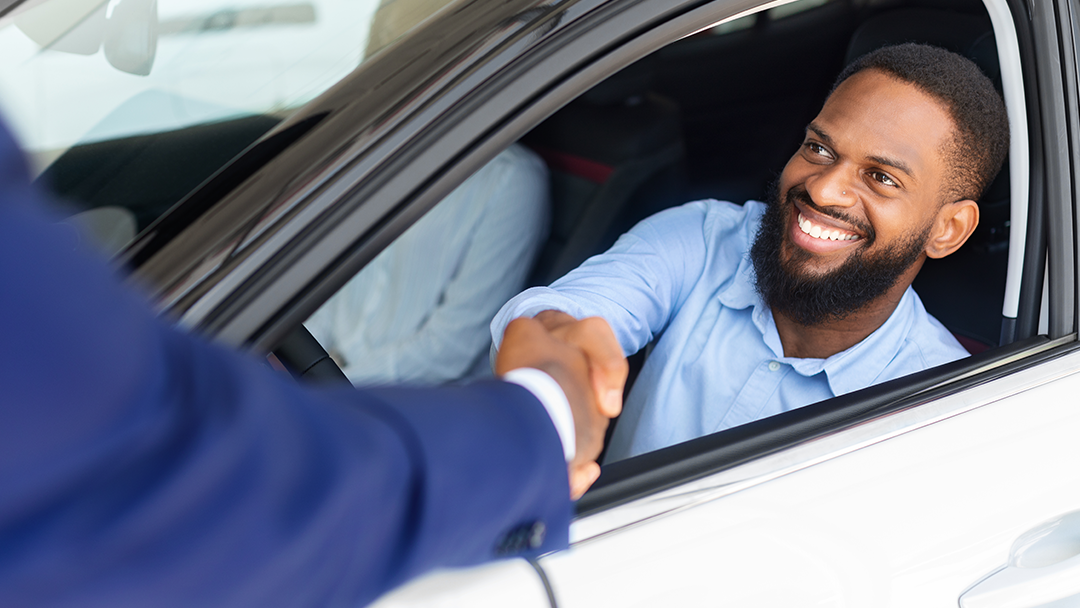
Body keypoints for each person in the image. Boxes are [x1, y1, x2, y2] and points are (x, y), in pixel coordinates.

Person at [0, 114, 623, 606]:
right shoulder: (369, 159)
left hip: (375, 392)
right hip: (336, 399)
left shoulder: (508, 183)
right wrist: (543, 413)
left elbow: (451, 343)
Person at [491, 43, 1010, 462]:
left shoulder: (944, 413)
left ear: (948, 229)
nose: (825, 190)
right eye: (819, 149)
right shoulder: (703, 236)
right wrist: (555, 359)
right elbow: (571, 310)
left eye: (880, 177)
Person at [305, 144, 549, 385]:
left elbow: (454, 346)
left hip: (414, 396)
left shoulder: (511, 178)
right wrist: (300, 360)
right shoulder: (383, 152)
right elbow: (335, 289)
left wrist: (335, 385)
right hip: (327, 372)